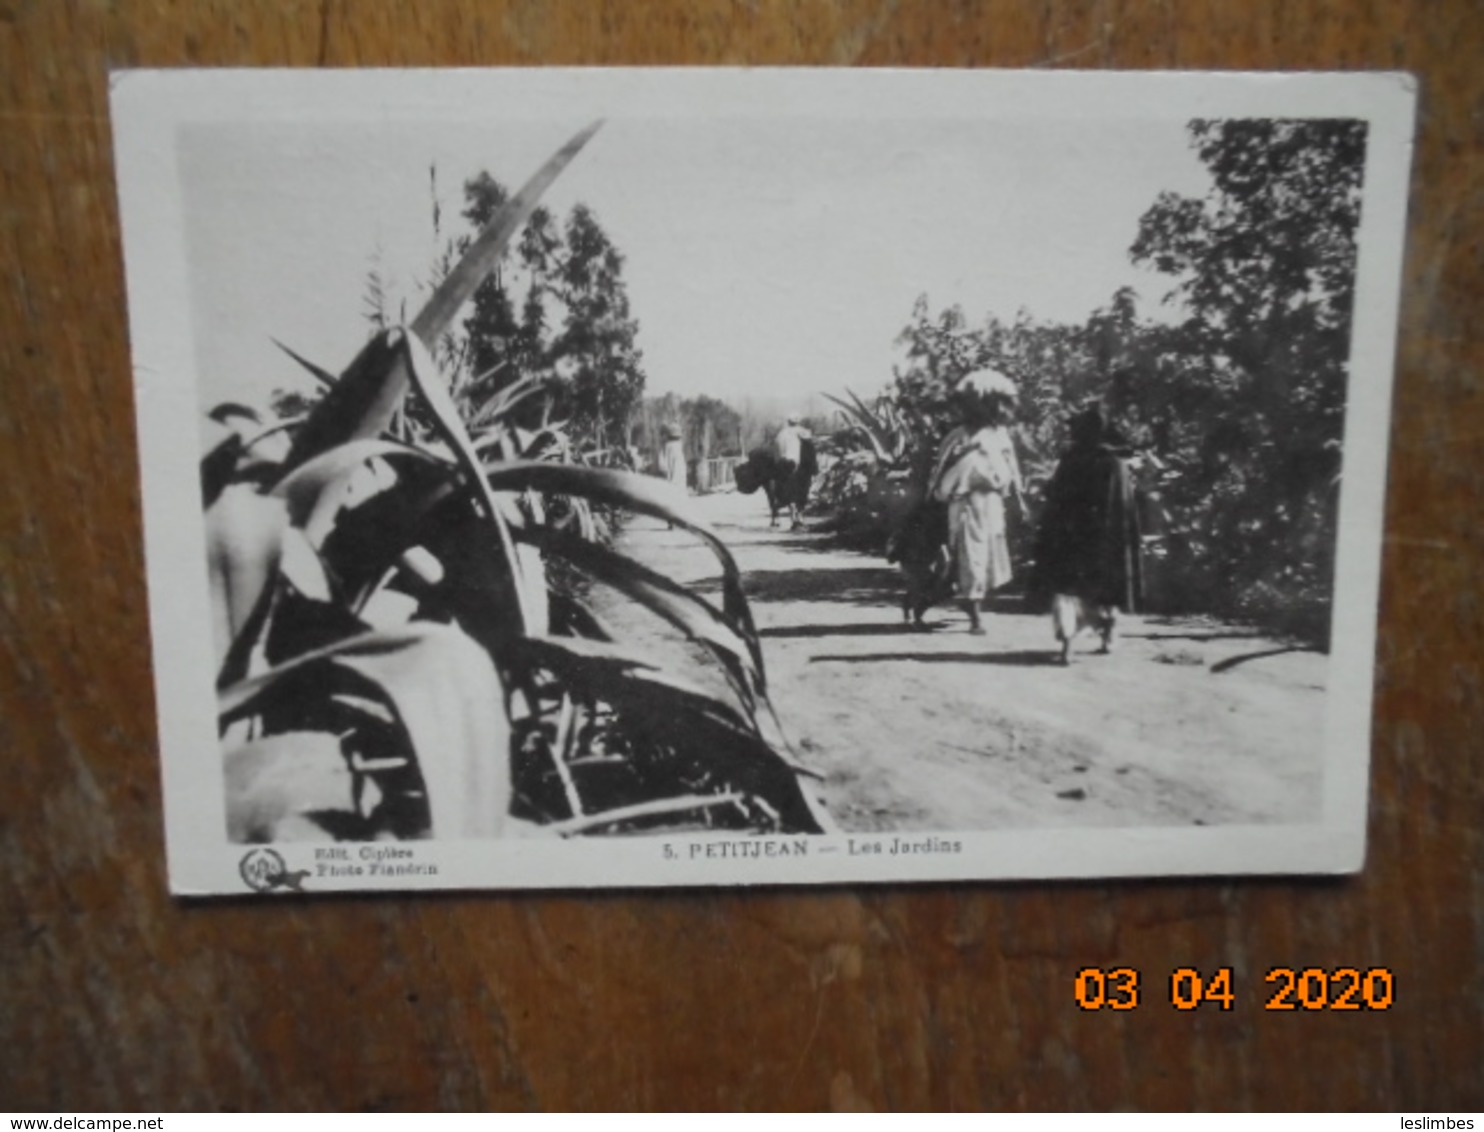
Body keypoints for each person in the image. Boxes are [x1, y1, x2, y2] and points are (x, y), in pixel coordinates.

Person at [1031, 404, 1145, 664]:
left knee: (1067, 591)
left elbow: (1056, 498)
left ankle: (1067, 647)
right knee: (1105, 591)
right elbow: (1125, 509)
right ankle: (1107, 638)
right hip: (1105, 541)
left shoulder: (1072, 459)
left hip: (1072, 538)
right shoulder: (1116, 464)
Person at [928, 370, 1025, 634]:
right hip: (966, 506)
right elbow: (940, 476)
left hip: (992, 505)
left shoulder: (999, 435)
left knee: (988, 559)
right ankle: (975, 616)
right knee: (973, 558)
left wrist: (1019, 498)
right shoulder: (958, 437)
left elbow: (1011, 469)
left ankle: (970, 603)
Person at [771, 414, 813, 529]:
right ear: (798, 422)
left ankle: (790, 516)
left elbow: (775, 452)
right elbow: (810, 449)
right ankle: (798, 518)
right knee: (799, 491)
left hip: (781, 465)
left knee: (786, 490)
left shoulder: (780, 434)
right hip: (796, 465)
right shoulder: (803, 432)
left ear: (788, 422)